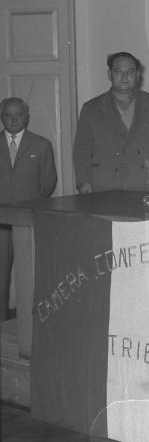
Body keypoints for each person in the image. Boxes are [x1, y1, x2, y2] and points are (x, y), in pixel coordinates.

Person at [73, 52, 149, 193]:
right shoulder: (91, 109)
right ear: (109, 74)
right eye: (118, 71)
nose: (124, 77)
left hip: (146, 185)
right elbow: (82, 149)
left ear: (138, 75)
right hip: (104, 186)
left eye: (130, 71)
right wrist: (83, 182)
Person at [0, 97, 57, 320]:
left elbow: (48, 182)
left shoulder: (41, 145)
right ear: (2, 117)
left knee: (29, 274)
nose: (14, 119)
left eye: (19, 115)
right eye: (8, 115)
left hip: (27, 219)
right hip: (0, 220)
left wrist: (30, 203)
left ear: (27, 117)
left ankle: (31, 322)